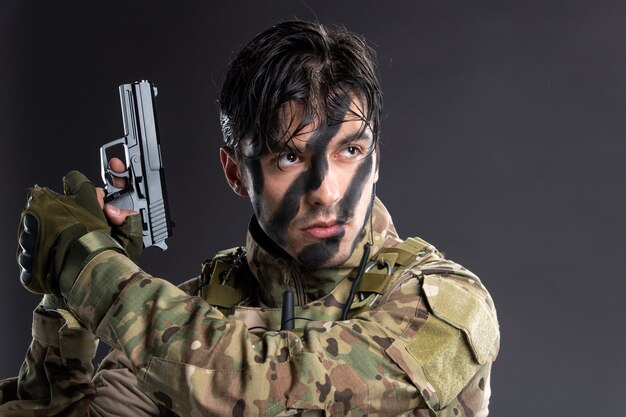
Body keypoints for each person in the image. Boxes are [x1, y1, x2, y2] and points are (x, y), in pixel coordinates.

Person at [0, 20, 499, 416]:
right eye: (288, 158)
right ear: (236, 173)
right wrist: (64, 299)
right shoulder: (185, 318)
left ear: (376, 159)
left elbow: (275, 387)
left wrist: (97, 275)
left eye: (350, 149)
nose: (325, 192)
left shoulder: (443, 307)